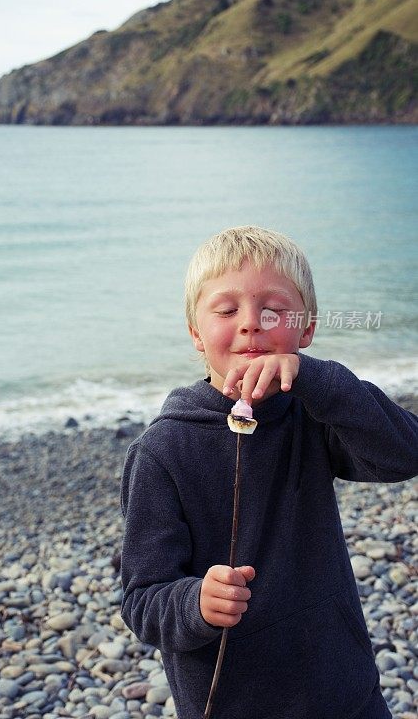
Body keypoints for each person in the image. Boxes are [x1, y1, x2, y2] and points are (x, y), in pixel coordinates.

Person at [120, 225, 418, 719]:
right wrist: (197, 602)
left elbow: (405, 452)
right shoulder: (161, 451)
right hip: (234, 704)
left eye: (273, 310)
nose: (251, 324)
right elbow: (142, 600)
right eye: (226, 309)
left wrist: (320, 379)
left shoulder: (315, 415)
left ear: (306, 328)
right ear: (196, 331)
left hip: (346, 693)